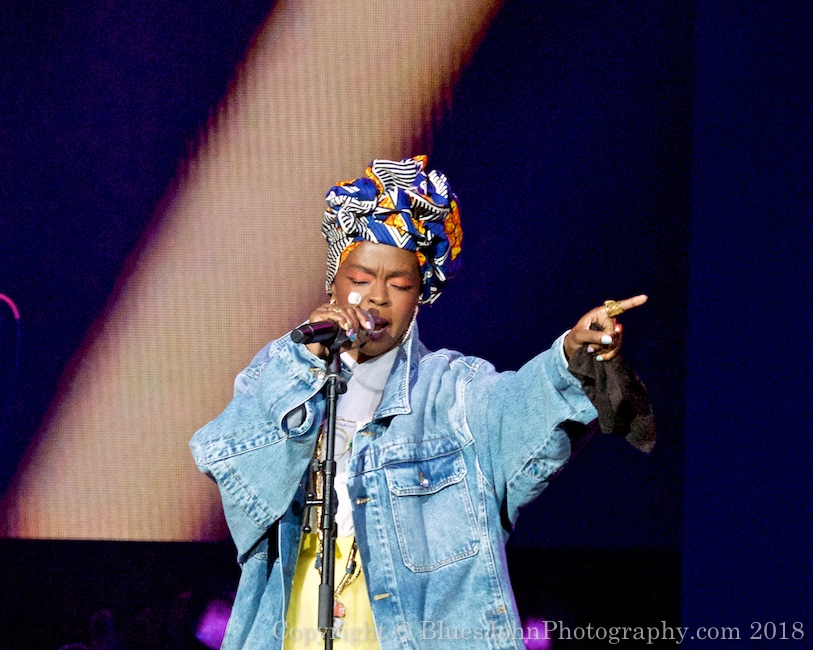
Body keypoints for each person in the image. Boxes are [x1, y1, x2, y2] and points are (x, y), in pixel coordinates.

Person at [190, 156, 650, 649]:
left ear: (420, 294)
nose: (376, 298)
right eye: (361, 279)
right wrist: (302, 365)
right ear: (335, 282)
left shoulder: (453, 390)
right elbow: (234, 472)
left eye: (400, 284)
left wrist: (570, 355)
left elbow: (519, 410)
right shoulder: (280, 373)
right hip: (294, 623)